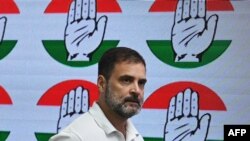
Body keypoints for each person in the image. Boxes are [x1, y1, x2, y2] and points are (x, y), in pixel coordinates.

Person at [49, 47, 147, 141]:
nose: (136, 90)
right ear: (102, 84)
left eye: (141, 83)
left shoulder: (136, 137)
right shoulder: (74, 138)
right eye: (126, 80)